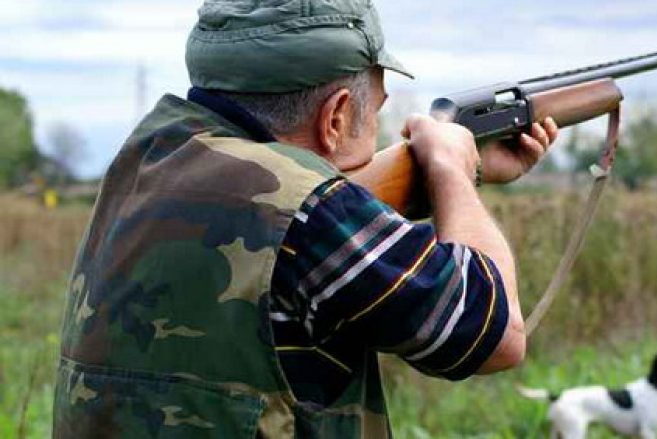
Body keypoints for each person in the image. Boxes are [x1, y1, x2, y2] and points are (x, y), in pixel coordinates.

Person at [52, 0, 558, 437]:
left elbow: (287, 220)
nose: (380, 123)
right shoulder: (311, 213)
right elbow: (496, 336)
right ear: (336, 116)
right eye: (376, 109)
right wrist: (451, 169)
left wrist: (457, 172)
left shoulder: (146, 158)